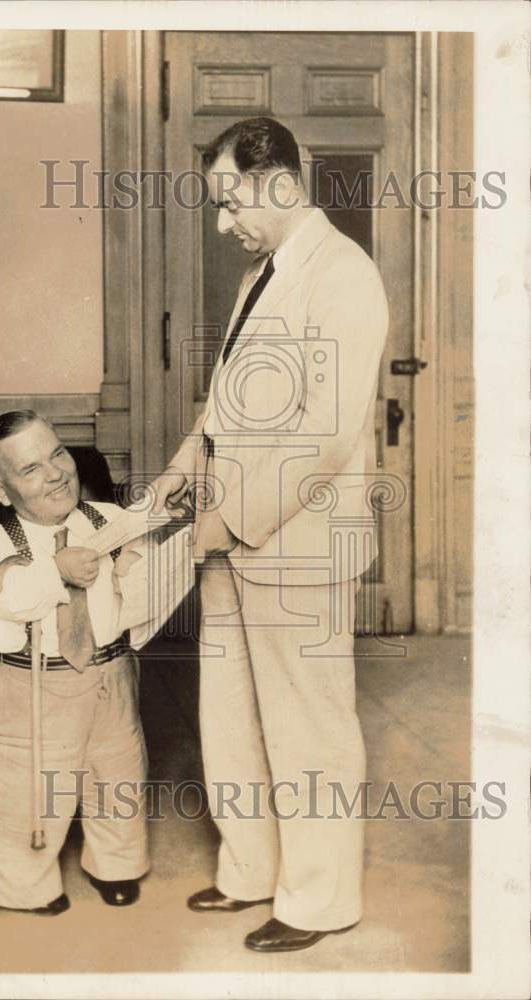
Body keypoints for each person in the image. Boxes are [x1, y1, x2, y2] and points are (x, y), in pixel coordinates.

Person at [152, 117, 390, 952]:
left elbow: (322, 439)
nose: (223, 224)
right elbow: (225, 407)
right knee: (233, 714)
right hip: (227, 540)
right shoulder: (263, 273)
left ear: (276, 178)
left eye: (228, 202)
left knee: (308, 725)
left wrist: (226, 521)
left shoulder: (344, 276)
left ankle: (319, 900)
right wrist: (182, 470)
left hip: (296, 546)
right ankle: (249, 869)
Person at [0, 410, 149, 914]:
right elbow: (12, 596)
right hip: (28, 686)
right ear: (2, 493)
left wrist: (137, 564)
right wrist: (55, 571)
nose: (54, 474)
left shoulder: (106, 519)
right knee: (22, 788)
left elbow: (141, 570)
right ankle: (26, 887)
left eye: (58, 455)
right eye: (30, 470)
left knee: (117, 773)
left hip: (110, 674)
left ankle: (116, 864)